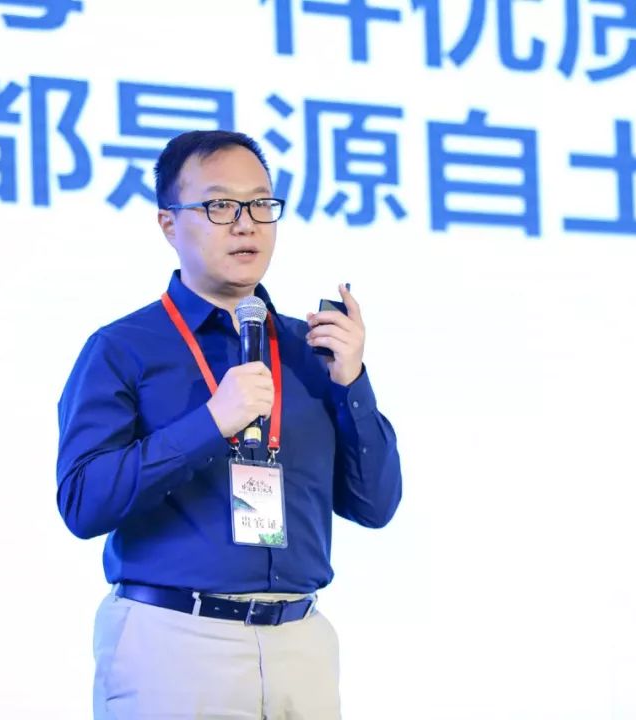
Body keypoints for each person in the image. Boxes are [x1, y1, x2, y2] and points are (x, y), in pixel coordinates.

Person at [56, 129, 403, 720]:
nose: (246, 224)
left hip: (301, 641)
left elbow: (376, 505)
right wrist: (210, 424)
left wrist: (352, 383)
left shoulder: (311, 349)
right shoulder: (123, 348)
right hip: (173, 640)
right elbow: (83, 503)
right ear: (169, 224)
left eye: (261, 204)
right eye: (220, 205)